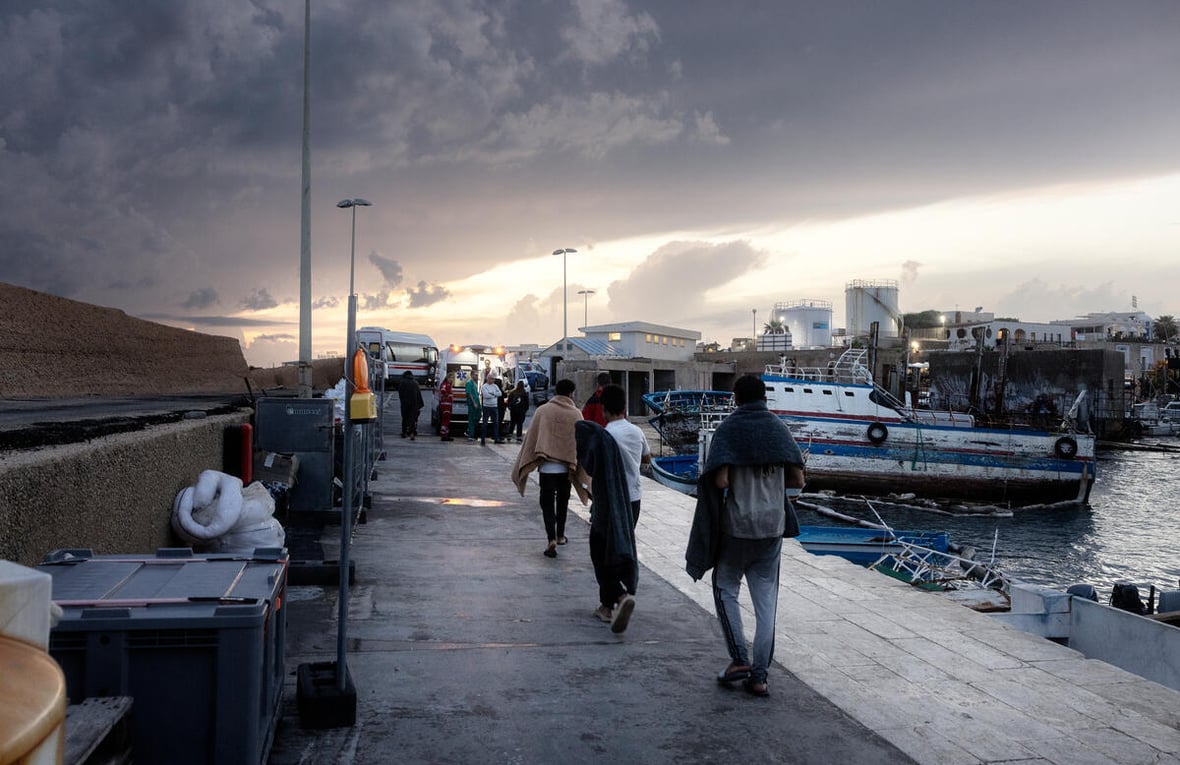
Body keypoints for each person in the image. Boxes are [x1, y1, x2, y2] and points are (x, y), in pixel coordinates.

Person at [685, 374, 805, 698]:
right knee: (767, 603)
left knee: (725, 586)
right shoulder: (779, 429)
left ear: (736, 398)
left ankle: (739, 659)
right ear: (764, 397)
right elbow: (796, 478)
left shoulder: (729, 429)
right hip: (772, 528)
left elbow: (721, 481)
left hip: (738, 526)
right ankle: (760, 677)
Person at [588, 384, 651, 632]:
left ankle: (619, 597)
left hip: (608, 501)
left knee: (599, 551)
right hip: (633, 500)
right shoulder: (637, 432)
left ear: (604, 410)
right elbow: (646, 459)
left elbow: (592, 467)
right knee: (619, 550)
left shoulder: (604, 435)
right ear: (625, 408)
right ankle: (606, 607)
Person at [511, 379, 586, 558]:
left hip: (546, 470)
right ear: (570, 393)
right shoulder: (576, 414)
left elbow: (531, 439)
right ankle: (560, 535)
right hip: (566, 469)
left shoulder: (542, 411)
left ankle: (550, 538)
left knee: (546, 504)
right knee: (562, 502)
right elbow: (582, 442)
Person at [397, 371, 424, 440]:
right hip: (414, 404)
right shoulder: (415, 383)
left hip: (405, 403)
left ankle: (404, 432)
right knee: (412, 419)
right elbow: (419, 394)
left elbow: (400, 393)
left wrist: (403, 400)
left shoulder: (402, 382)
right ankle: (412, 433)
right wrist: (420, 404)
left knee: (404, 418)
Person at [479, 373, 504, 445]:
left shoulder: (495, 386)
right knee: (485, 423)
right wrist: (494, 394)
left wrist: (492, 393)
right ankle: (483, 439)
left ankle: (496, 439)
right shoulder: (484, 386)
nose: (493, 380)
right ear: (488, 378)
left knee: (496, 423)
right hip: (486, 407)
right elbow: (486, 395)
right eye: (492, 379)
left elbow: (500, 394)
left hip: (494, 406)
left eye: (494, 379)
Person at [437, 372, 455, 441]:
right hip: (445, 405)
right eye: (451, 378)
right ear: (447, 378)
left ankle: (446, 435)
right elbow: (443, 391)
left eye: (453, 378)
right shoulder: (445, 384)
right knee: (445, 420)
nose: (452, 379)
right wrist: (446, 395)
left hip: (448, 405)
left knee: (447, 421)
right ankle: (444, 435)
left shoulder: (448, 385)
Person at [465, 374, 481, 442]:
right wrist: (473, 402)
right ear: (472, 375)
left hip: (477, 402)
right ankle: (470, 435)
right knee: (471, 419)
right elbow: (469, 394)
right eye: (476, 375)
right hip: (472, 404)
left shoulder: (475, 383)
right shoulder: (469, 383)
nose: (477, 377)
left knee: (478, 416)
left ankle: (469, 430)